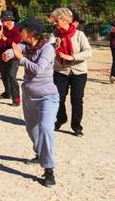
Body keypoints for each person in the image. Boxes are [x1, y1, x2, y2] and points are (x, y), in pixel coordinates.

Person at [4, 17, 58, 188]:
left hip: (47, 96)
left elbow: (38, 68)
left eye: (22, 30)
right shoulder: (24, 45)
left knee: (45, 128)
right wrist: (8, 54)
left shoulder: (47, 49)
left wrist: (20, 59)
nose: (20, 32)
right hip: (29, 95)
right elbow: (15, 50)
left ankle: (49, 170)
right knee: (32, 129)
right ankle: (40, 154)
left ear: (31, 32)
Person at [51, 8, 93, 137]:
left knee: (77, 100)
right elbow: (48, 49)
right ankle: (61, 118)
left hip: (78, 72)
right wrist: (55, 47)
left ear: (65, 20)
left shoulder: (79, 34)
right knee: (58, 98)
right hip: (61, 71)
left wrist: (73, 57)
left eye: (56, 20)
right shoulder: (54, 34)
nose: (54, 23)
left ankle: (76, 126)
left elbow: (88, 52)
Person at [0, 10, 22, 106]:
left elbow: (15, 44)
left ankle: (16, 98)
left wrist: (5, 38)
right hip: (1, 55)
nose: (3, 22)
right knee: (4, 75)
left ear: (10, 20)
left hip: (14, 57)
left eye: (5, 20)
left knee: (11, 75)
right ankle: (7, 93)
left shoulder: (17, 31)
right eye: (2, 20)